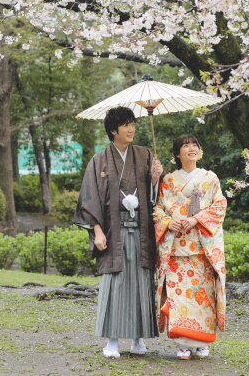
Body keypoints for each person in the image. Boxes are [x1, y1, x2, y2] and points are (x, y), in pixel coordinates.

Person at [74, 106, 163, 358]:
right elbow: (89, 198)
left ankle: (138, 339)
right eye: (126, 124)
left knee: (140, 282)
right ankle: (112, 341)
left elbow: (155, 197)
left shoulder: (145, 155)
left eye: (133, 123)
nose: (131, 128)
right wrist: (97, 231)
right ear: (113, 130)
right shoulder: (99, 160)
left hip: (141, 230)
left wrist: (155, 179)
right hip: (114, 231)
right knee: (115, 282)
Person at [153, 134, 226, 360]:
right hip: (176, 248)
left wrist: (196, 219)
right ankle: (183, 344)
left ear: (200, 151)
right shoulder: (167, 181)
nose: (191, 148)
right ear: (177, 154)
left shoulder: (209, 178)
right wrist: (168, 222)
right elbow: (157, 210)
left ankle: (203, 342)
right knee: (179, 297)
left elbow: (220, 205)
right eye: (185, 146)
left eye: (195, 145)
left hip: (201, 248)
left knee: (202, 297)